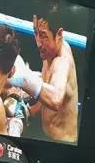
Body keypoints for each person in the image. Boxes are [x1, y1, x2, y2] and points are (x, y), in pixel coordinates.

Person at [7, 13, 78, 143]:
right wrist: (29, 112)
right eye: (36, 33)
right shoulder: (49, 50)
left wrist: (24, 79)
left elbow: (55, 99)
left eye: (44, 35)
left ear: (59, 34)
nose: (38, 42)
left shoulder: (62, 62)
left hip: (62, 144)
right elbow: (48, 86)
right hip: (46, 136)